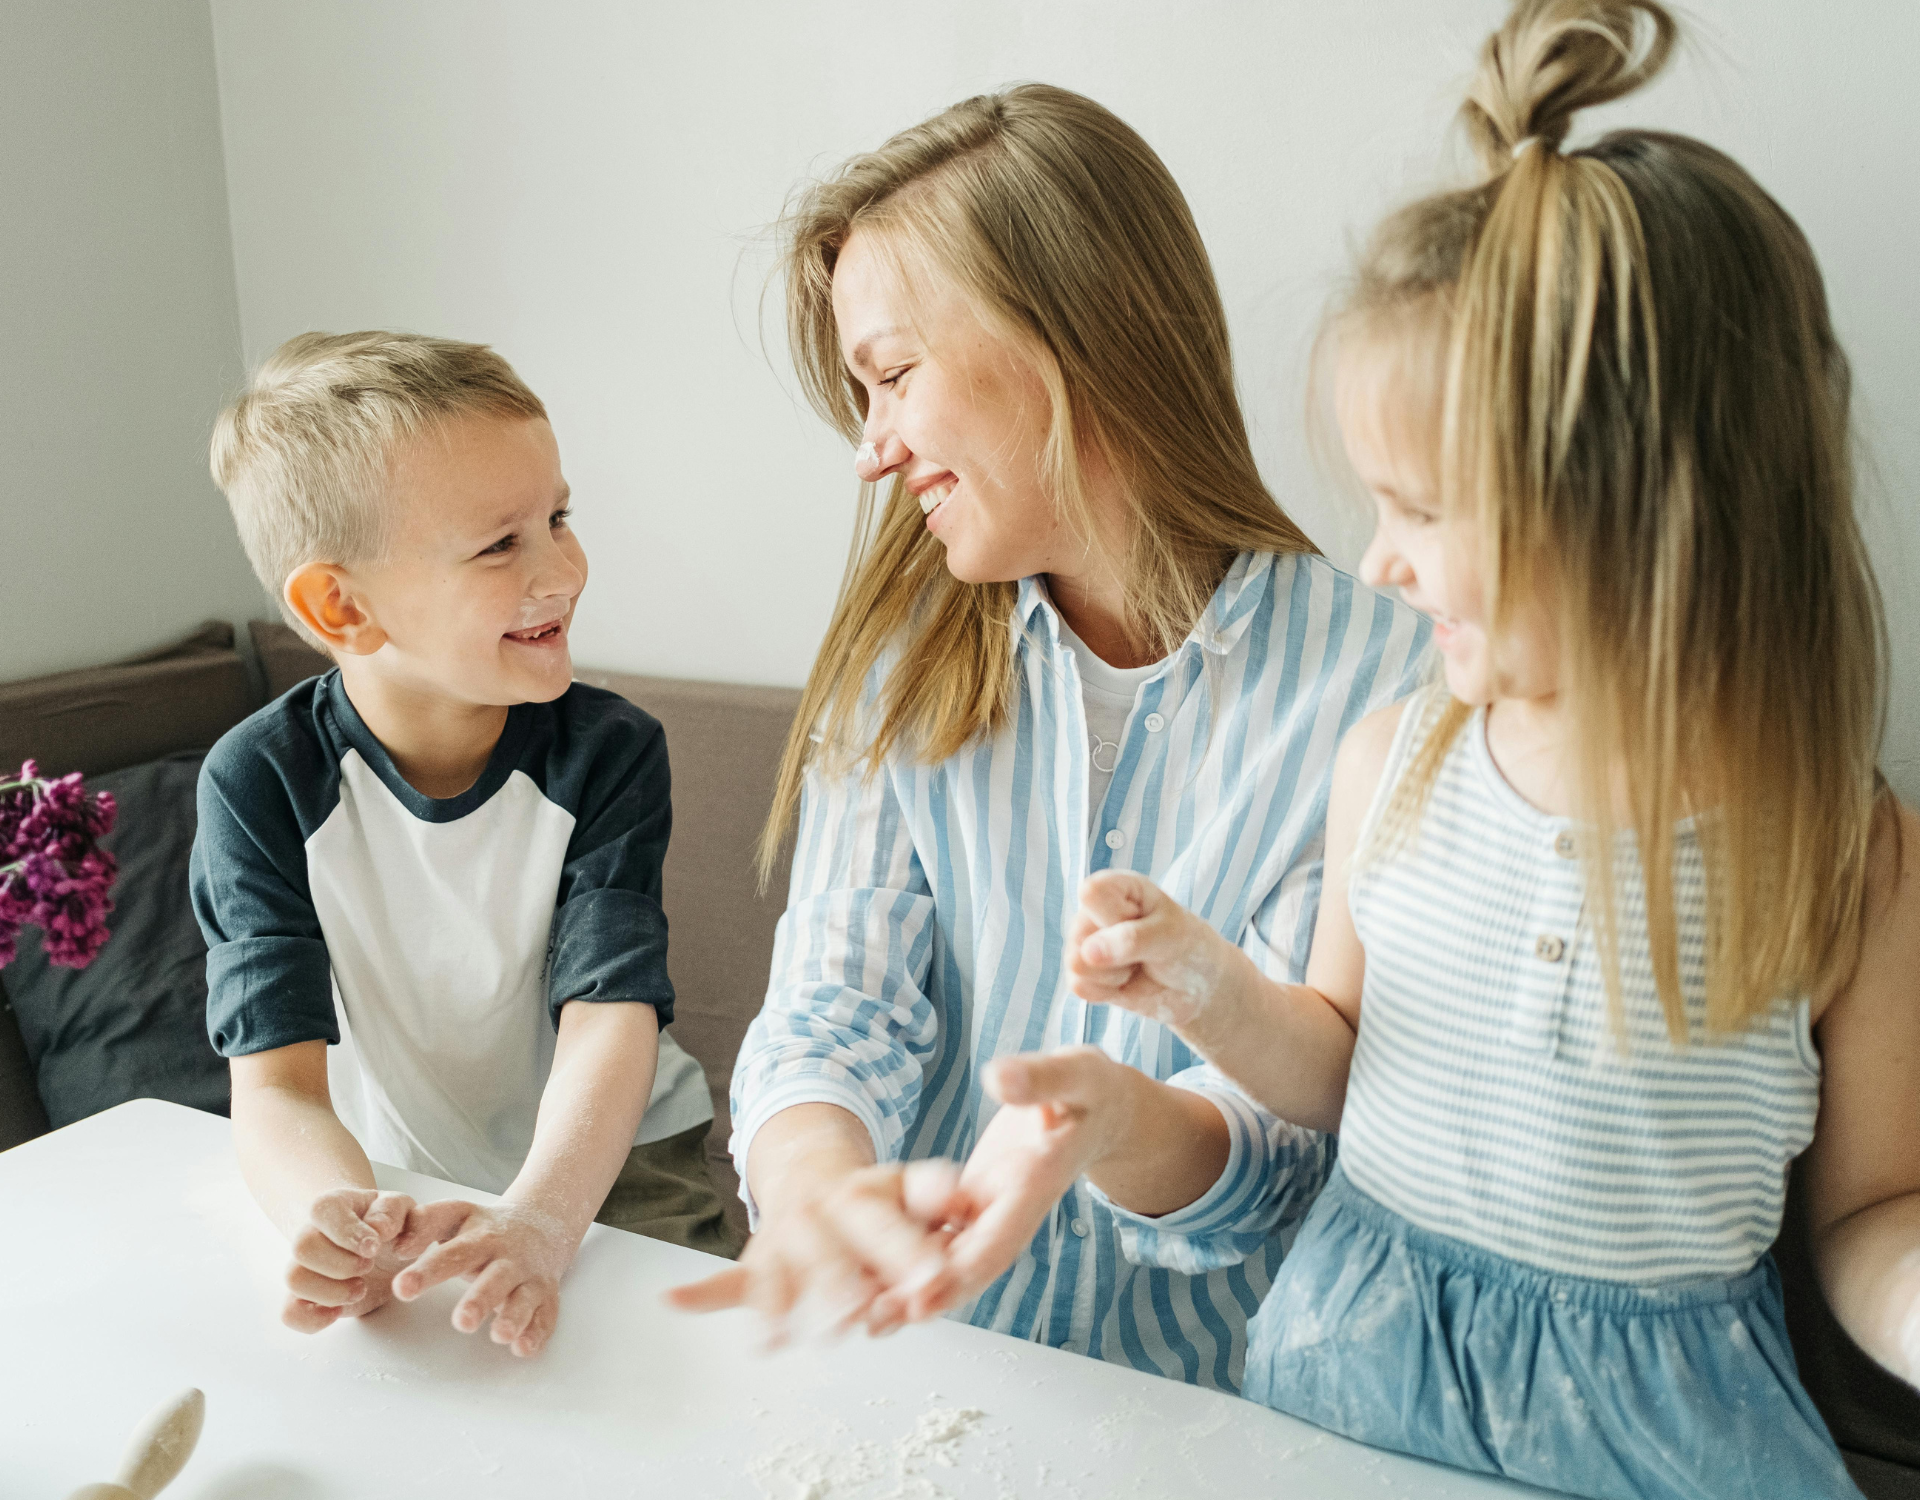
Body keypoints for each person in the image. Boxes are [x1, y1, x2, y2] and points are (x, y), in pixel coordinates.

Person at [918, 4, 1920, 1496]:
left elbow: (1867, 1208)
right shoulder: (1395, 760)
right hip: (1351, 1384)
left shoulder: (1849, 854)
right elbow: (1332, 1065)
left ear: (1638, 517)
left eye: (1422, 511)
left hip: (1667, 1440)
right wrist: (1205, 991)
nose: (1377, 565)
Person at [668, 85, 1428, 1389]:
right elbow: (836, 1003)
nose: (873, 449)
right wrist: (811, 1192)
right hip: (922, 1372)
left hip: (1220, 1413)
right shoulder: (898, 666)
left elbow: (1301, 1133)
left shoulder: (1390, 682)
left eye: (894, 376)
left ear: (1074, 338)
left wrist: (1110, 1128)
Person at [193, 331, 735, 1359]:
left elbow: (609, 1020)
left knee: (679, 1374)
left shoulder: (608, 753)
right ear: (339, 606)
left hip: (612, 1161)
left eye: (559, 518)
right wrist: (332, 1215)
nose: (564, 568)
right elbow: (276, 1088)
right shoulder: (257, 784)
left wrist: (541, 1217)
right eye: (501, 545)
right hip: (396, 1173)